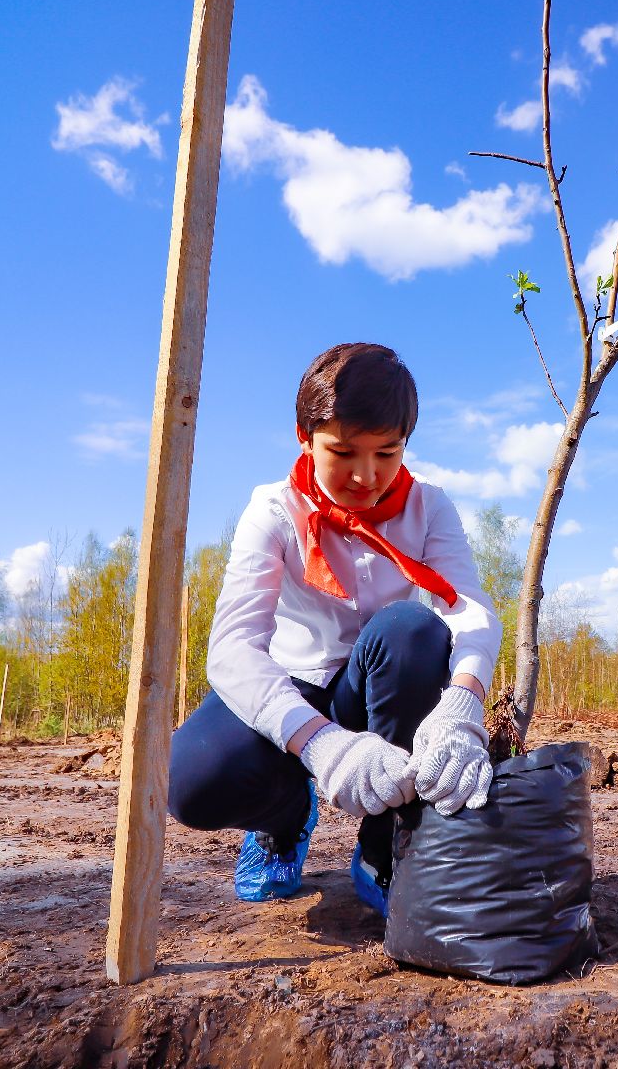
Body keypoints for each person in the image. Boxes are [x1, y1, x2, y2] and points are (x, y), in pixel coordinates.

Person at [168, 342, 501, 918]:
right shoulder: (273, 509)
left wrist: (463, 703)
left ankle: (386, 844)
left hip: (377, 693)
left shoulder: (428, 507)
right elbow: (232, 648)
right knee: (190, 781)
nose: (366, 476)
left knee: (412, 631)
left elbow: (467, 608)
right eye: (342, 452)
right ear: (304, 436)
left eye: (387, 453)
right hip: (293, 692)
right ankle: (284, 817)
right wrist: (320, 744)